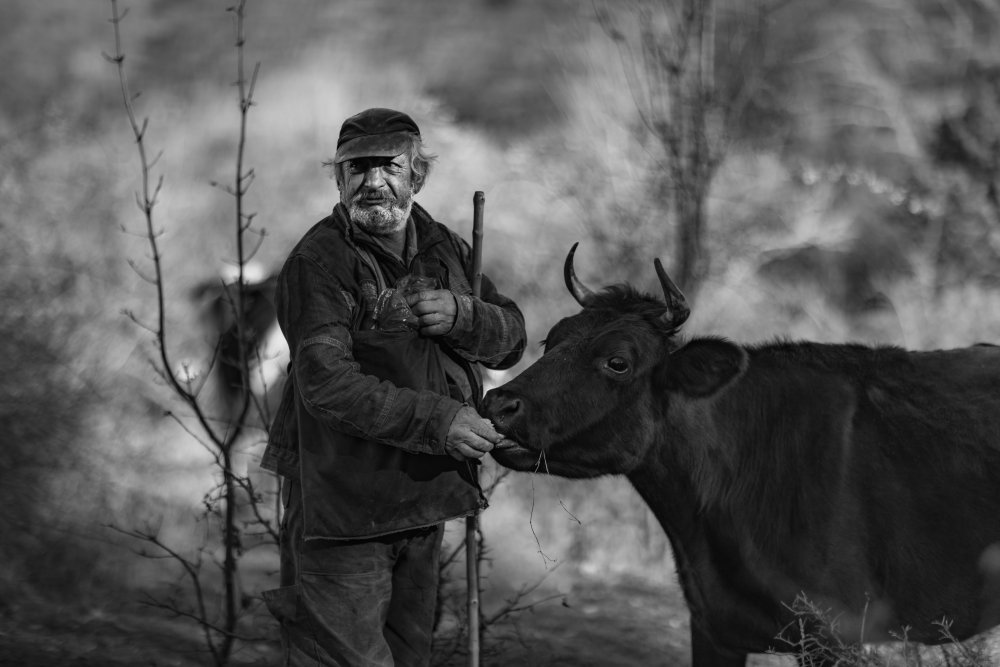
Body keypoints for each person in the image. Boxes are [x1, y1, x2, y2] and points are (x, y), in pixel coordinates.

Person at [261, 107, 526, 667]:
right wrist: (441, 421)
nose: (373, 181)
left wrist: (465, 316)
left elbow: (511, 340)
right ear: (338, 178)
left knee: (409, 658)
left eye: (390, 166)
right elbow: (325, 382)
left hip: (422, 503)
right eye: (357, 167)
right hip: (342, 511)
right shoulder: (319, 262)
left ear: (417, 176)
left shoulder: (445, 249)